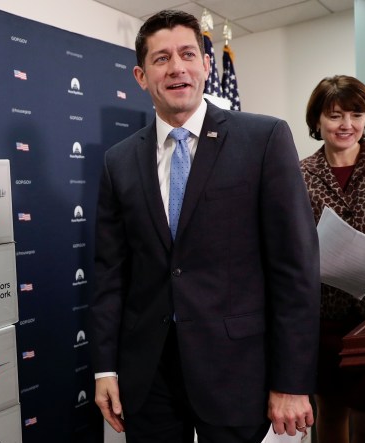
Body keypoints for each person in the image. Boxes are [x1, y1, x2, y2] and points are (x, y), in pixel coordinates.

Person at [88, 10, 320, 443]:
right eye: (161, 59)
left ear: (206, 66)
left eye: (187, 54)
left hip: (236, 371)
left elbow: (295, 269)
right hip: (149, 376)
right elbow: (110, 274)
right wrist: (105, 367)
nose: (176, 67)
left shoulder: (264, 139)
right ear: (141, 75)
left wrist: (291, 379)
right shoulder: (118, 160)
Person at [301, 75, 365, 443]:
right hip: (324, 317)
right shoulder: (298, 173)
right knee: (329, 418)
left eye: (356, 114)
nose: (347, 125)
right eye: (335, 115)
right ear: (317, 122)